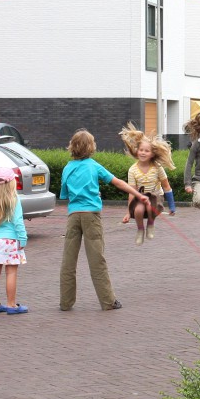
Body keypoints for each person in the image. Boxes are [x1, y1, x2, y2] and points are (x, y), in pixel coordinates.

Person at [59, 128, 151, 311]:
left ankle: (65, 302)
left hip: (73, 216)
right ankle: (108, 301)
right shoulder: (94, 165)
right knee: (97, 260)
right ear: (91, 147)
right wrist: (138, 195)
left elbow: (65, 195)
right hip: (91, 216)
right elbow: (118, 182)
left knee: (68, 260)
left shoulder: (67, 168)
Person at [118, 122, 178, 246]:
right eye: (141, 150)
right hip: (141, 196)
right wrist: (129, 212)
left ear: (152, 154)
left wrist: (172, 206)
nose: (143, 153)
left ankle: (150, 224)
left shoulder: (157, 168)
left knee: (150, 207)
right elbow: (131, 192)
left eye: (147, 151)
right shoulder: (133, 170)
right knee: (139, 210)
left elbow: (166, 186)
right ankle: (140, 229)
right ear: (137, 151)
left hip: (156, 196)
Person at [0, 167, 29, 314]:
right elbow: (18, 221)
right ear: (11, 183)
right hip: (11, 240)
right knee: (11, 273)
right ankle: (11, 304)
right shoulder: (14, 199)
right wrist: (23, 238)